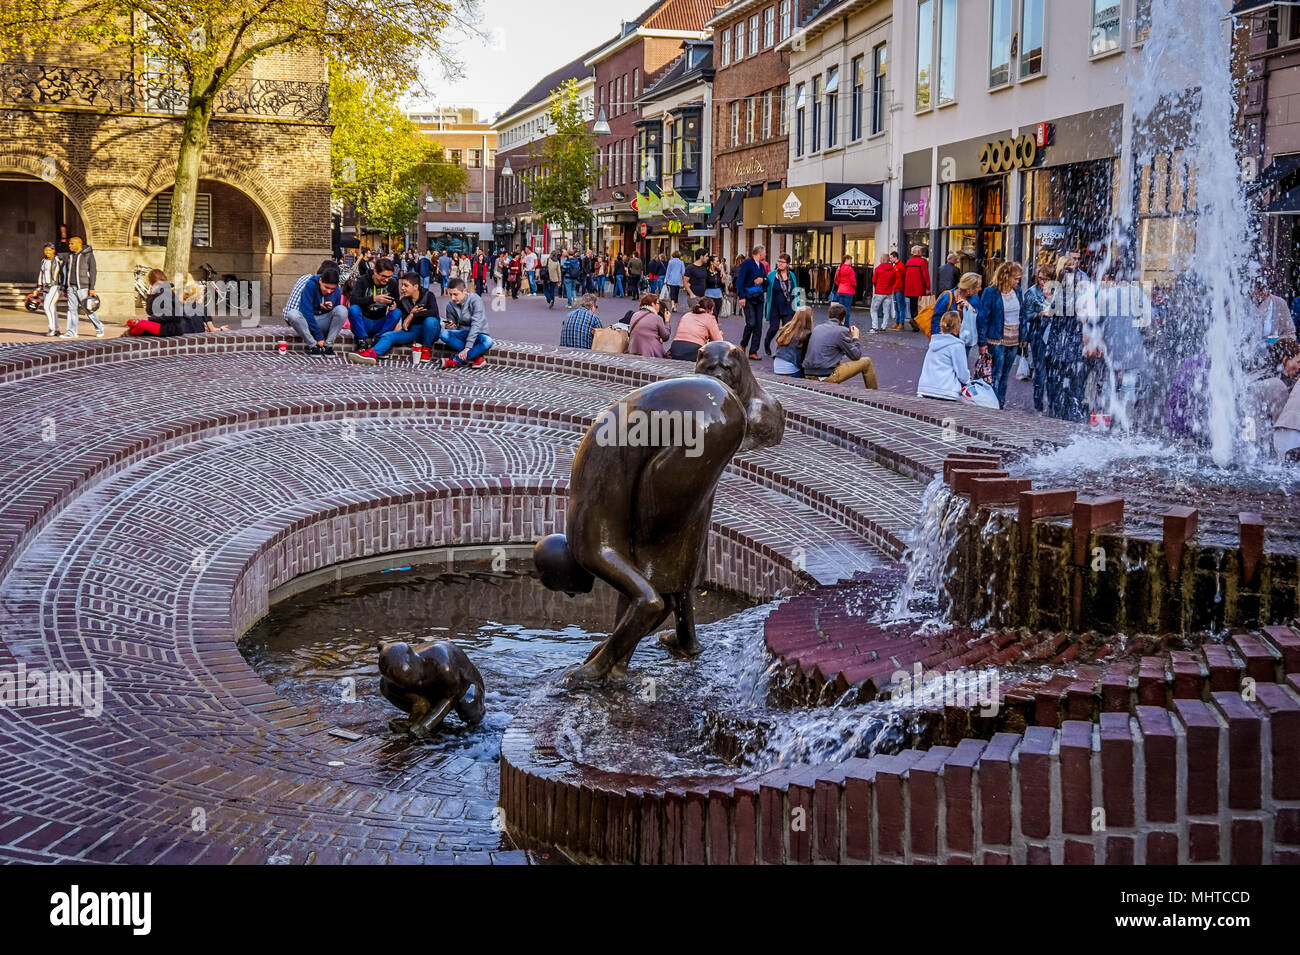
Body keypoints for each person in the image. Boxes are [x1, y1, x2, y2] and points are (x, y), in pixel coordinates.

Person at [346, 272, 440, 365]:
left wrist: (413, 315)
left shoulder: (428, 295)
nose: (402, 288)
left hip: (431, 331)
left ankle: (427, 349)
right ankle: (371, 354)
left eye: (406, 285)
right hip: (413, 331)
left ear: (415, 287)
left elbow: (434, 312)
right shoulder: (403, 301)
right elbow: (405, 324)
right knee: (388, 336)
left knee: (430, 321)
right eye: (402, 285)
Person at [977, 261, 1024, 409]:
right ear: (1006, 276)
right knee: (995, 374)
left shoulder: (1018, 291)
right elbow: (983, 318)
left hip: (1013, 339)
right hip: (996, 339)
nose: (1018, 281)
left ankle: (1000, 403)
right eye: (1015, 278)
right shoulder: (990, 292)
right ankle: (993, 404)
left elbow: (1021, 314)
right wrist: (982, 342)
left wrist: (1023, 336)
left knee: (1005, 374)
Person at [126, 269, 228, 336]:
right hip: (167, 326)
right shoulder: (162, 292)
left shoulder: (168, 293)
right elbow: (150, 311)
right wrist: (151, 295)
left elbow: (171, 316)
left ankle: (128, 337)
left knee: (140, 324)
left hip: (170, 328)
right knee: (135, 325)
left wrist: (149, 319)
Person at [803, 302, 878, 388]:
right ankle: (874, 395)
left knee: (834, 360)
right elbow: (856, 356)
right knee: (866, 362)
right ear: (843, 319)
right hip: (824, 375)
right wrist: (855, 337)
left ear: (829, 316)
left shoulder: (817, 328)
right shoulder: (841, 331)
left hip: (808, 373)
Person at [283, 265, 347, 355]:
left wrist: (330, 308)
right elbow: (306, 311)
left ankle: (328, 346)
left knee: (342, 310)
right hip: (308, 323)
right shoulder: (311, 284)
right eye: (326, 287)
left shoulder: (337, 289)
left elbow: (337, 312)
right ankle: (313, 346)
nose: (329, 291)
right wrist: (319, 337)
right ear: (320, 281)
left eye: (332, 289)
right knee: (292, 314)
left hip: (324, 321)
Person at [438, 277, 494, 368]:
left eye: (455, 294)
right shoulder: (450, 306)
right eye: (451, 294)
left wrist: (467, 348)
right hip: (463, 334)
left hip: (478, 334)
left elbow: (476, 325)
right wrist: (450, 326)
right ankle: (477, 357)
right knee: (443, 333)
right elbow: (455, 326)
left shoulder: (475, 299)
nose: (453, 298)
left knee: (488, 341)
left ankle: (455, 360)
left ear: (464, 291)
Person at [917, 311, 973, 401]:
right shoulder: (956, 345)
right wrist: (968, 382)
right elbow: (962, 372)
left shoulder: (934, 343)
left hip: (926, 388)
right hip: (946, 390)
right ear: (957, 327)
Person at [347, 258, 401, 350]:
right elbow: (353, 300)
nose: (387, 280)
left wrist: (395, 304)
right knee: (354, 309)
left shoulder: (392, 283)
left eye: (389, 277)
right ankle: (361, 341)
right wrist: (374, 299)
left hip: (381, 322)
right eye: (384, 276)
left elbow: (397, 301)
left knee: (397, 312)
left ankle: (379, 339)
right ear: (375, 272)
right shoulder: (362, 280)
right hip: (364, 322)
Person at [1021, 268, 1055, 413]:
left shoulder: (1057, 291)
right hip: (1038, 335)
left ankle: (1053, 403)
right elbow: (1026, 315)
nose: (1043, 282)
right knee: (1040, 371)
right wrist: (1040, 313)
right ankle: (1038, 404)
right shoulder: (1032, 292)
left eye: (1046, 279)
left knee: (1053, 372)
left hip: (1054, 336)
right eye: (1040, 278)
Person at [60, 236, 103, 338]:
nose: (69, 245)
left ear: (79, 244)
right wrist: (65, 287)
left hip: (83, 287)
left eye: (71, 243)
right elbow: (65, 272)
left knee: (88, 310)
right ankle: (71, 331)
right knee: (71, 310)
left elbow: (93, 272)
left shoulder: (88, 255)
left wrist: (92, 287)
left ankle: (99, 326)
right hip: (71, 287)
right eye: (69, 243)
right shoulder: (69, 256)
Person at [763, 252, 802, 357]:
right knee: (774, 328)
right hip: (775, 306)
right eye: (779, 261)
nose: (780, 264)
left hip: (788, 306)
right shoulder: (771, 275)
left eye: (782, 262)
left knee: (786, 330)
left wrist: (797, 306)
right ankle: (767, 343)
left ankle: (779, 351)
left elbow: (795, 291)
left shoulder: (792, 275)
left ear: (788, 264)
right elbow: (765, 287)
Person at [736, 245, 769, 360]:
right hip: (748, 297)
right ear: (759, 253)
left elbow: (766, 280)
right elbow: (740, 280)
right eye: (764, 253)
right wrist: (741, 296)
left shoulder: (762, 266)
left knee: (759, 325)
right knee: (751, 323)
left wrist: (763, 279)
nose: (765, 255)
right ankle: (743, 344)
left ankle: (753, 351)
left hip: (759, 298)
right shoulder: (747, 264)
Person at [667, 296, 724, 362]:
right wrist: (719, 334)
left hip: (675, 347)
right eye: (712, 311)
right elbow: (719, 341)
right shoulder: (709, 318)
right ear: (709, 310)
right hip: (693, 349)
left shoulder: (687, 315)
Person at [772, 305, 813, 378]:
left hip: (777, 366)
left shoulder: (786, 328)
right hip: (791, 369)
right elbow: (804, 357)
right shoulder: (806, 334)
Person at [627, 293, 671, 358]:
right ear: (653, 304)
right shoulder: (657, 318)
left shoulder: (635, 315)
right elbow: (666, 337)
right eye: (658, 303)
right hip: (650, 353)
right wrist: (667, 321)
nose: (659, 306)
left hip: (633, 350)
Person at [36, 242, 61, 337]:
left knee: (46, 306)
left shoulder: (58, 260)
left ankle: (52, 328)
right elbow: (41, 274)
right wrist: (38, 287)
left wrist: (63, 287)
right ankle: (57, 329)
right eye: (45, 250)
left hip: (55, 286)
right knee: (52, 308)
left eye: (49, 250)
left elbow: (63, 273)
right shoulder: (43, 261)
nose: (47, 252)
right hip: (45, 287)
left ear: (53, 250)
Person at [903, 245, 931, 328]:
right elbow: (925, 275)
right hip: (919, 287)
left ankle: (913, 318)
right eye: (921, 251)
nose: (921, 253)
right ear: (918, 252)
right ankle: (916, 320)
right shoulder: (922, 261)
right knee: (920, 305)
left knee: (912, 304)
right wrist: (928, 287)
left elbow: (905, 275)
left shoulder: (908, 262)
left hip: (909, 287)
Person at [870, 254, 895, 333]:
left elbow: (874, 280)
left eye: (881, 258)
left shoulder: (878, 269)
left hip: (879, 291)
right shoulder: (893, 270)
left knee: (874, 309)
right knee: (886, 311)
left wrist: (876, 287)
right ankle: (884, 327)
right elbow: (894, 281)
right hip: (888, 292)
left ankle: (875, 327)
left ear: (883, 259)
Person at [890, 251, 907, 330]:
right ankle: (897, 322)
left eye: (891, 257)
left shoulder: (900, 266)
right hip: (895, 288)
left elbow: (903, 277)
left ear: (895, 257)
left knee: (900, 306)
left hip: (899, 288)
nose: (890, 259)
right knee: (897, 306)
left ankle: (901, 323)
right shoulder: (895, 266)